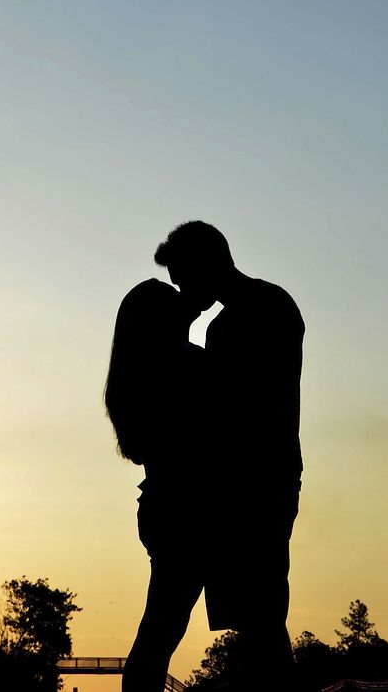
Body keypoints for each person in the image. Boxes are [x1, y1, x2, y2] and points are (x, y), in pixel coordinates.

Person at [153, 221, 305, 691]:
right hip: (263, 476)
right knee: (259, 616)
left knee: (258, 616)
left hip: (251, 483)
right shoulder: (271, 304)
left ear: (205, 264)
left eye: (182, 276)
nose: (180, 289)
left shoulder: (238, 322)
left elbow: (233, 406)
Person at [106, 278, 210, 692]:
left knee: (160, 631)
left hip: (162, 504)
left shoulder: (136, 376)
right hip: (190, 507)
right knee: (162, 631)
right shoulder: (189, 366)